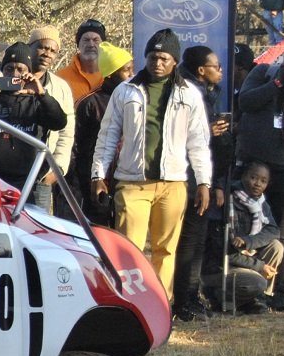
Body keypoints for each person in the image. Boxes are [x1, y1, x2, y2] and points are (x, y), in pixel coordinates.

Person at [90, 29, 213, 300]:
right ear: (146, 57)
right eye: (153, 57)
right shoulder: (126, 90)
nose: (157, 63)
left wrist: (204, 181)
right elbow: (108, 134)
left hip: (173, 183)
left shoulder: (189, 93)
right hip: (132, 182)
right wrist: (98, 174)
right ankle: (129, 303)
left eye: (164, 58)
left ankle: (160, 303)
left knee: (165, 249)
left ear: (174, 61)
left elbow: (198, 142)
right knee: (128, 248)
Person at [234, 40, 284, 311]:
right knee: (244, 224)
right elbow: (246, 102)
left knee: (281, 230)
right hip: (253, 163)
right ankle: (246, 286)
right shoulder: (263, 72)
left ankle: (281, 290)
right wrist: (276, 85)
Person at [171, 46, 231, 321]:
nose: (220, 71)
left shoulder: (208, 92)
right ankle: (182, 300)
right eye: (216, 66)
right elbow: (182, 133)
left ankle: (191, 296)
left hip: (204, 175)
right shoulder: (184, 91)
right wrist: (208, 128)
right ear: (200, 70)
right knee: (188, 240)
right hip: (185, 175)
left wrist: (216, 181)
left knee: (197, 240)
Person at [0, 42, 67, 192]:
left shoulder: (36, 101)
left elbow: (59, 122)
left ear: (29, 73)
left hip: (28, 183)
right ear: (2, 71)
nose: (14, 74)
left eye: (20, 70)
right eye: (9, 69)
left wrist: (41, 94)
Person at [205, 161, 284, 315]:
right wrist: (260, 266)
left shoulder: (261, 203)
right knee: (257, 282)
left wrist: (249, 241)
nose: (258, 184)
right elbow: (224, 252)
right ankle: (223, 298)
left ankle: (259, 298)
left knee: (276, 246)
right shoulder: (227, 200)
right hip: (221, 266)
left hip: (246, 258)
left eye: (263, 181)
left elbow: (273, 230)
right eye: (253, 178)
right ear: (243, 177)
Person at [70, 43, 134, 224]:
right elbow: (78, 146)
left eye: (132, 69)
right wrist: (86, 179)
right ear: (111, 74)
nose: (132, 75)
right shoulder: (89, 102)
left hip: (127, 175)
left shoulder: (135, 98)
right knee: (98, 229)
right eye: (126, 70)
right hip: (96, 176)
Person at [28, 26, 75, 211]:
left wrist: (57, 170)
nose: (47, 54)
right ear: (29, 46)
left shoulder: (60, 87)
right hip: (7, 174)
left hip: (42, 175)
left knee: (39, 234)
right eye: (42, 47)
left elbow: (66, 132)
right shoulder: (7, 77)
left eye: (53, 51)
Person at [57, 19, 107, 106]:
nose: (91, 45)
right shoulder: (60, 78)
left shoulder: (113, 76)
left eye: (96, 40)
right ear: (78, 45)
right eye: (86, 40)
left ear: (104, 45)